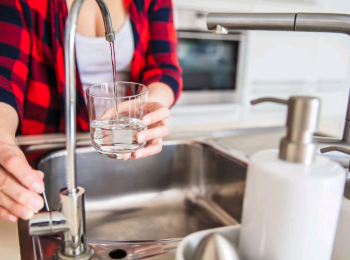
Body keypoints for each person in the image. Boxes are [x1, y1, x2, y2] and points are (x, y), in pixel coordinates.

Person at [0, 0, 182, 222]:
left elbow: (164, 67)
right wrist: (2, 140)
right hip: (43, 155)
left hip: (128, 140)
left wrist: (150, 106)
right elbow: (4, 76)